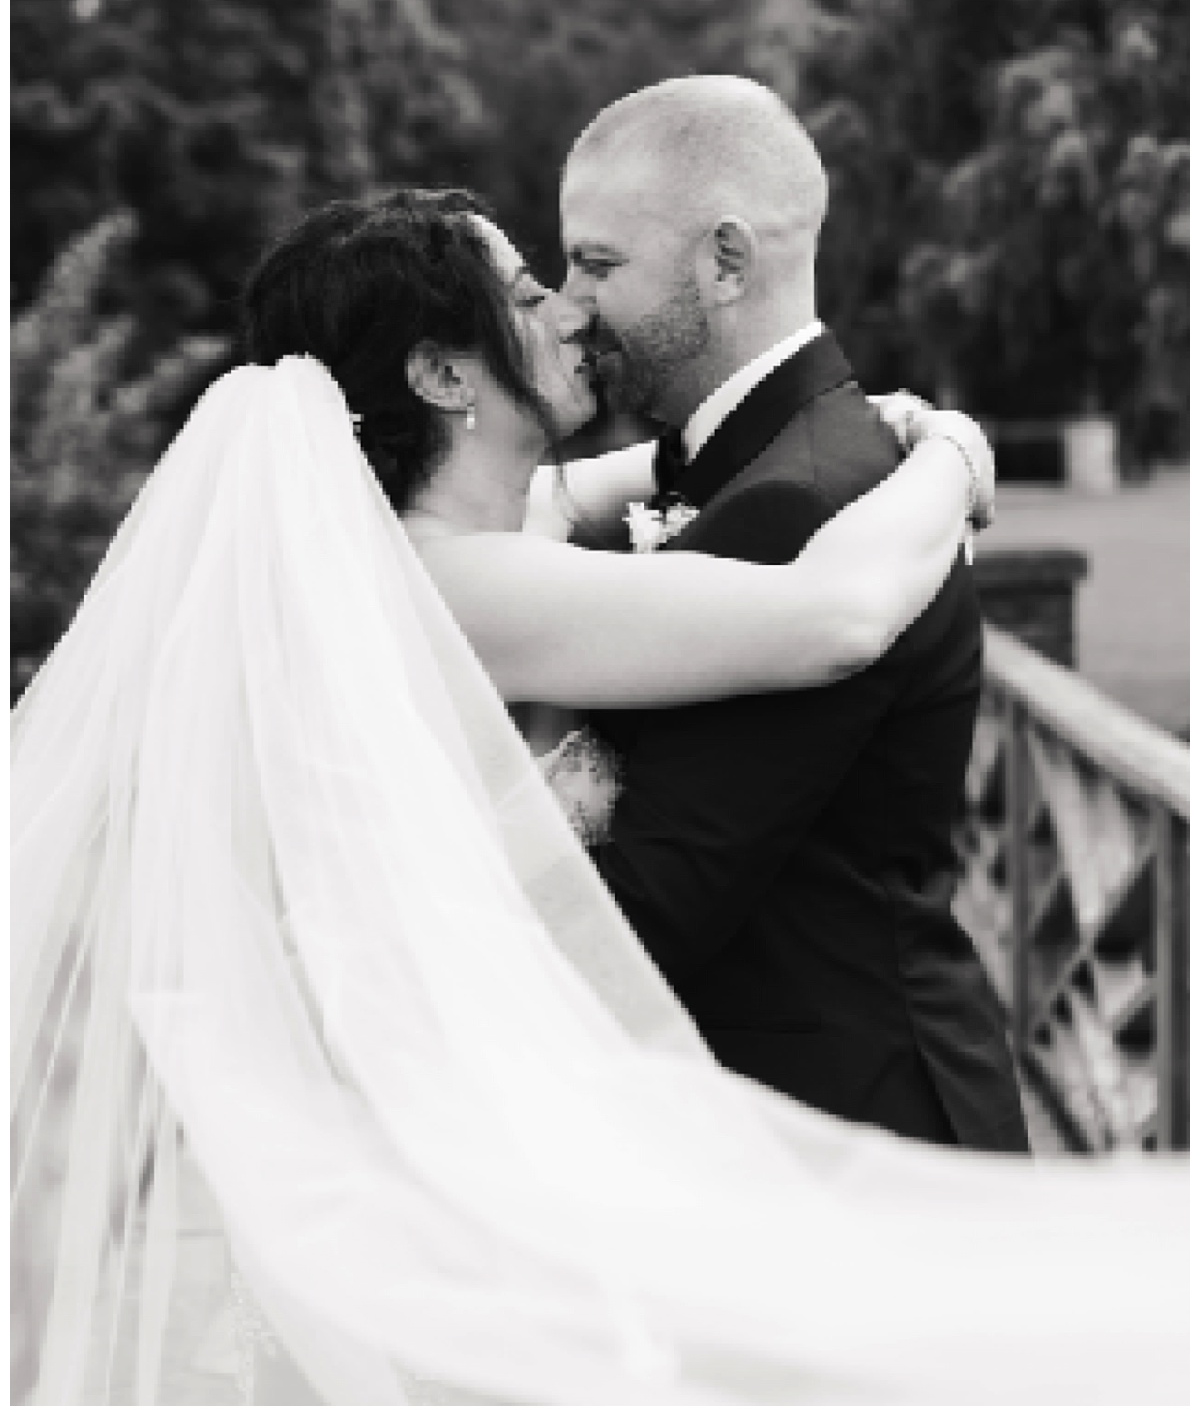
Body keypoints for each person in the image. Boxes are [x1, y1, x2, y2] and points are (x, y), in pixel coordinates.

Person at [11, 188, 1184, 1406]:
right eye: (524, 293)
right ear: (442, 373)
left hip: (466, 1130)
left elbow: (616, 483)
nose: (565, 310)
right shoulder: (456, 586)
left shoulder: (431, 530)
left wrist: (855, 425)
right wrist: (949, 450)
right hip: (469, 1158)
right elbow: (833, 618)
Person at [556, 75, 1031, 1150]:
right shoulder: (770, 464)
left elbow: (647, 905)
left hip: (860, 1142)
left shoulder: (798, 502)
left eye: (597, 262)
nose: (569, 302)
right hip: (808, 1116)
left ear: (726, 261)